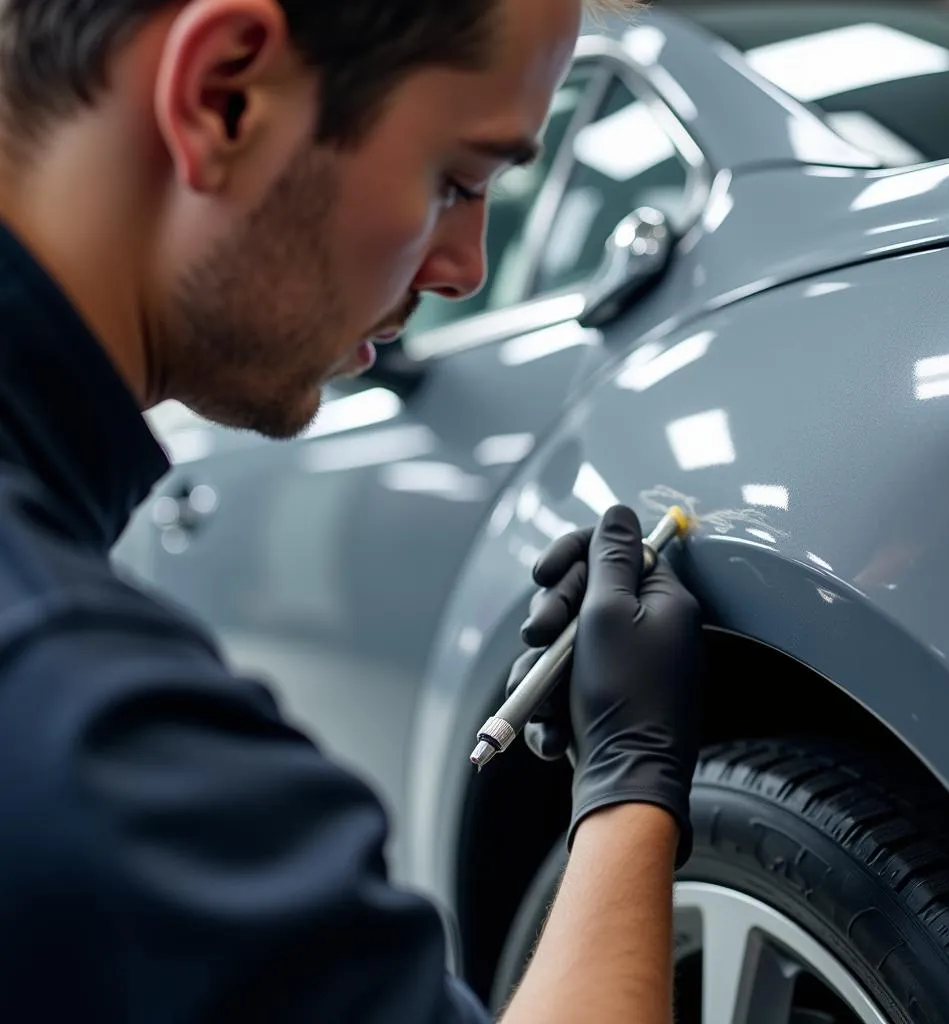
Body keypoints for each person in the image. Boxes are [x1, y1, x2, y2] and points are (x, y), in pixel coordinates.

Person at [0, 0, 707, 1019]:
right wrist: (632, 785)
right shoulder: (87, 730)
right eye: (455, 179)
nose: (464, 266)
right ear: (225, 96)